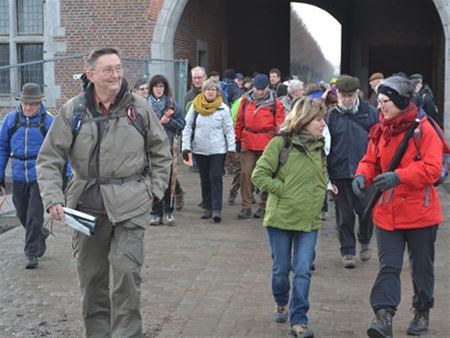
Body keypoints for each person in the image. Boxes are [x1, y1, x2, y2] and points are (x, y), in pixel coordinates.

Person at [36, 47, 171, 337]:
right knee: (92, 280)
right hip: (85, 207)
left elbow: (161, 151)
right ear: (91, 74)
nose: (117, 75)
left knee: (126, 276)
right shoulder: (73, 110)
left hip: (132, 205)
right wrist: (53, 198)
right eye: (108, 69)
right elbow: (49, 159)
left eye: (119, 68)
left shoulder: (139, 108)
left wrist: (153, 192)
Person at [353, 76, 443, 338]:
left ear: (401, 102)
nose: (380, 106)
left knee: (421, 268)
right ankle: (383, 316)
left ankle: (422, 311)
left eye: (385, 102)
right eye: (379, 101)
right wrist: (362, 174)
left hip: (421, 214)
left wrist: (399, 176)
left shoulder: (424, 130)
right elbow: (370, 159)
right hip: (387, 213)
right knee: (389, 266)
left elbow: (432, 169)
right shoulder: (381, 128)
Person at [252, 97, 328, 338]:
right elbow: (259, 175)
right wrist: (285, 191)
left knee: (303, 270)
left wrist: (325, 189)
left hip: (309, 220)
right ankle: (281, 300)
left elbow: (320, 177)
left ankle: (299, 321)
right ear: (304, 120)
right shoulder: (280, 144)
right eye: (318, 119)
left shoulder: (320, 146)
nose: (322, 124)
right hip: (280, 219)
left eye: (323, 118)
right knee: (281, 270)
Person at [327, 74, 378, 268]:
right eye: (343, 95)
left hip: (365, 173)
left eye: (350, 95)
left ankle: (364, 239)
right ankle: (347, 250)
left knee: (366, 211)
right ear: (337, 94)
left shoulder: (370, 113)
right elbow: (326, 143)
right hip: (339, 173)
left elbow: (379, 141)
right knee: (344, 214)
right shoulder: (332, 116)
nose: (347, 99)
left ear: (357, 94)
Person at [0, 83, 53, 269]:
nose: (28, 107)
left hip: (41, 176)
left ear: (40, 103)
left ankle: (31, 252)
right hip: (18, 175)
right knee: (21, 212)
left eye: (32, 104)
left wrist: (66, 176)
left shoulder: (49, 122)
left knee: (34, 215)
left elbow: (61, 151)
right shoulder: (10, 120)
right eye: (25, 103)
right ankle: (41, 234)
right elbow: (2, 148)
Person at [181, 79, 236, 223]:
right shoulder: (195, 106)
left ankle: (217, 208)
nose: (210, 92)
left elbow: (229, 130)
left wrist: (231, 150)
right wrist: (185, 147)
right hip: (200, 149)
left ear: (217, 92)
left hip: (218, 149)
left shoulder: (223, 108)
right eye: (208, 89)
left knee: (216, 178)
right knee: (204, 179)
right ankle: (208, 206)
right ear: (203, 91)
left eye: (213, 89)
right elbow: (187, 127)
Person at [234, 73, 285, 219]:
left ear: (268, 88)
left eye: (263, 89)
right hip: (248, 141)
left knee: (266, 175)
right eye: (258, 89)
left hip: (267, 143)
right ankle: (246, 206)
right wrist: (237, 139)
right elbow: (239, 121)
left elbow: (280, 124)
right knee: (246, 174)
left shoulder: (276, 103)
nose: (260, 92)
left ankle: (264, 205)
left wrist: (278, 142)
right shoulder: (245, 101)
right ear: (253, 87)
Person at [148, 74, 186, 226]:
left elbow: (181, 124)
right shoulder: (145, 105)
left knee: (169, 178)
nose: (158, 89)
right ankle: (156, 213)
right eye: (156, 86)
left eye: (161, 86)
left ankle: (169, 211)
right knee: (154, 180)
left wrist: (169, 122)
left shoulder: (172, 105)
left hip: (168, 146)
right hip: (151, 147)